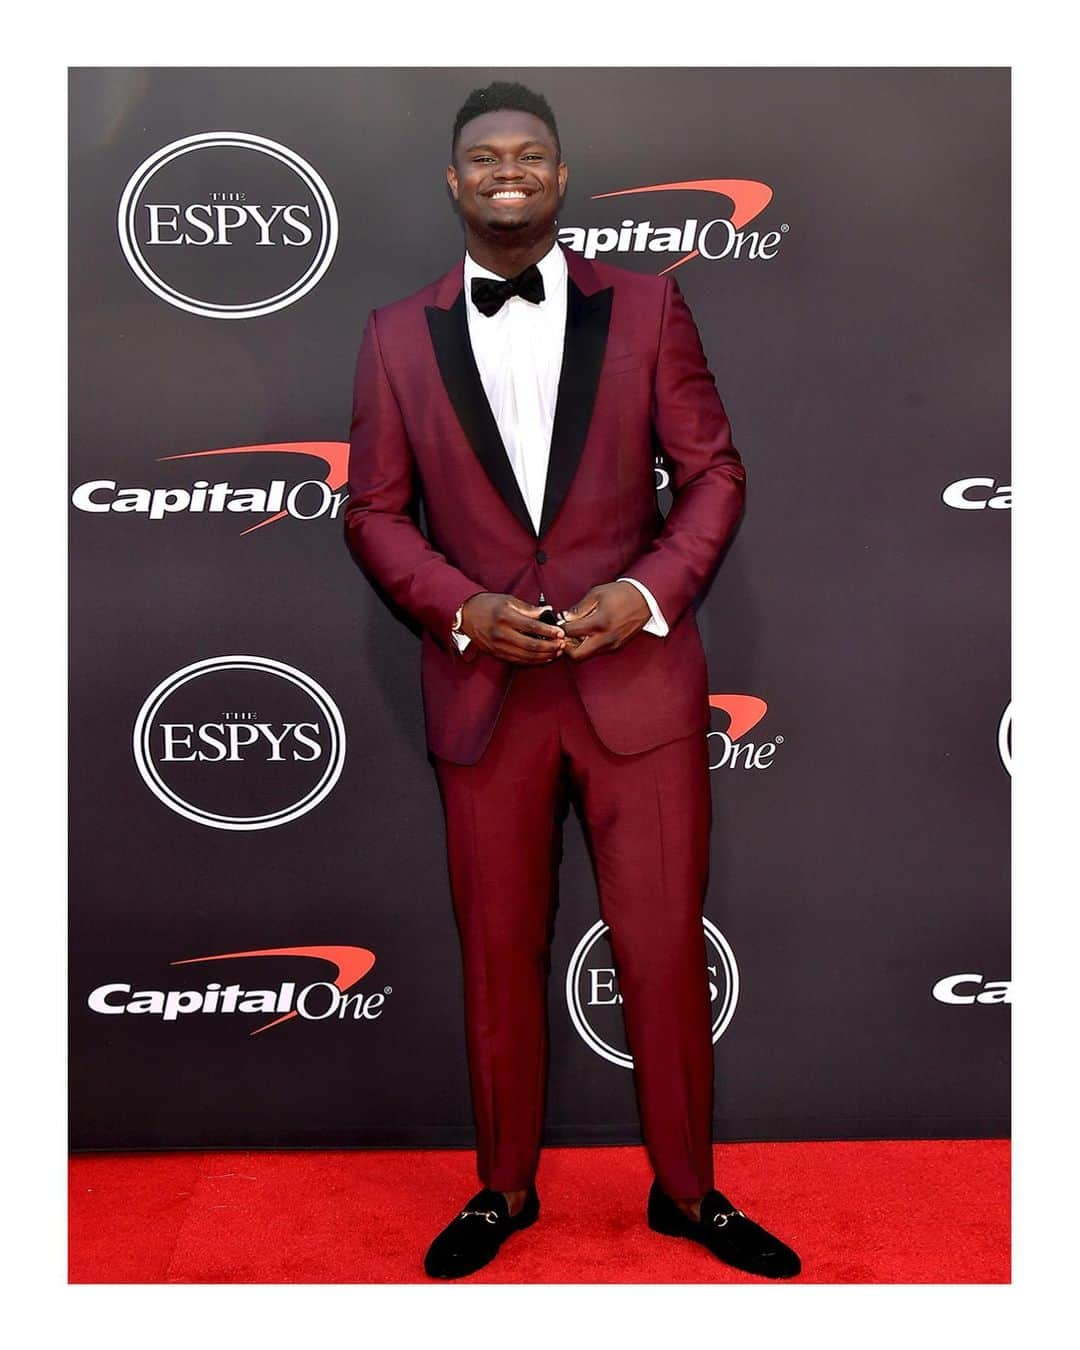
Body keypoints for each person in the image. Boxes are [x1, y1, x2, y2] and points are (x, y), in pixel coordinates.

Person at [344, 80, 800, 1281]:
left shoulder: (650, 306)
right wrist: (462, 610)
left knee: (658, 950)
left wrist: (644, 594)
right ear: (455, 183)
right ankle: (501, 1190)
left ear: (560, 176)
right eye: (485, 156)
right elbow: (376, 512)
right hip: (485, 699)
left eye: (530, 154)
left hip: (635, 689)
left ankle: (690, 1195)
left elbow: (713, 474)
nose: (508, 170)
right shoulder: (396, 334)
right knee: (497, 953)